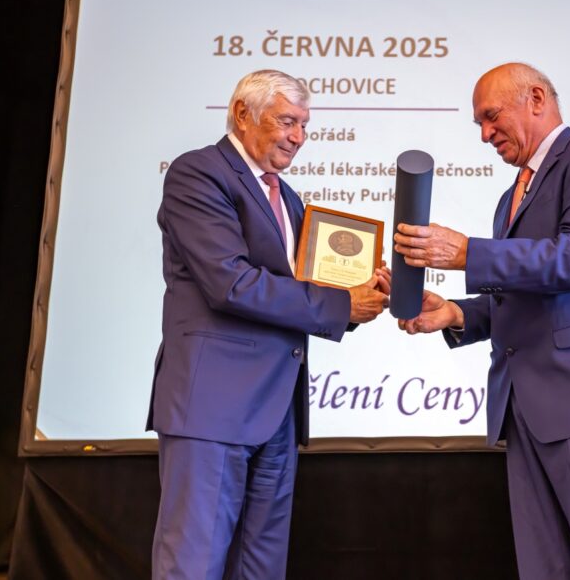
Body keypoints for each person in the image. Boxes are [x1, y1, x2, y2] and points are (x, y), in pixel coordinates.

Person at [393, 63, 570, 580]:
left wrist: (469, 253)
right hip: (527, 409)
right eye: (479, 123)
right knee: (545, 570)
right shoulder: (510, 197)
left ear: (536, 99)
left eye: (491, 116)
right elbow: (526, 297)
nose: (484, 134)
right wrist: (456, 312)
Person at [147, 69, 390, 578]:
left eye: (304, 125)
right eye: (287, 121)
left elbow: (303, 289)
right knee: (193, 564)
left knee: (262, 568)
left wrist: (364, 292)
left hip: (277, 411)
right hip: (213, 406)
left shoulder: (289, 198)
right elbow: (229, 282)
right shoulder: (199, 173)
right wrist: (341, 304)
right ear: (243, 114)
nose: (298, 136)